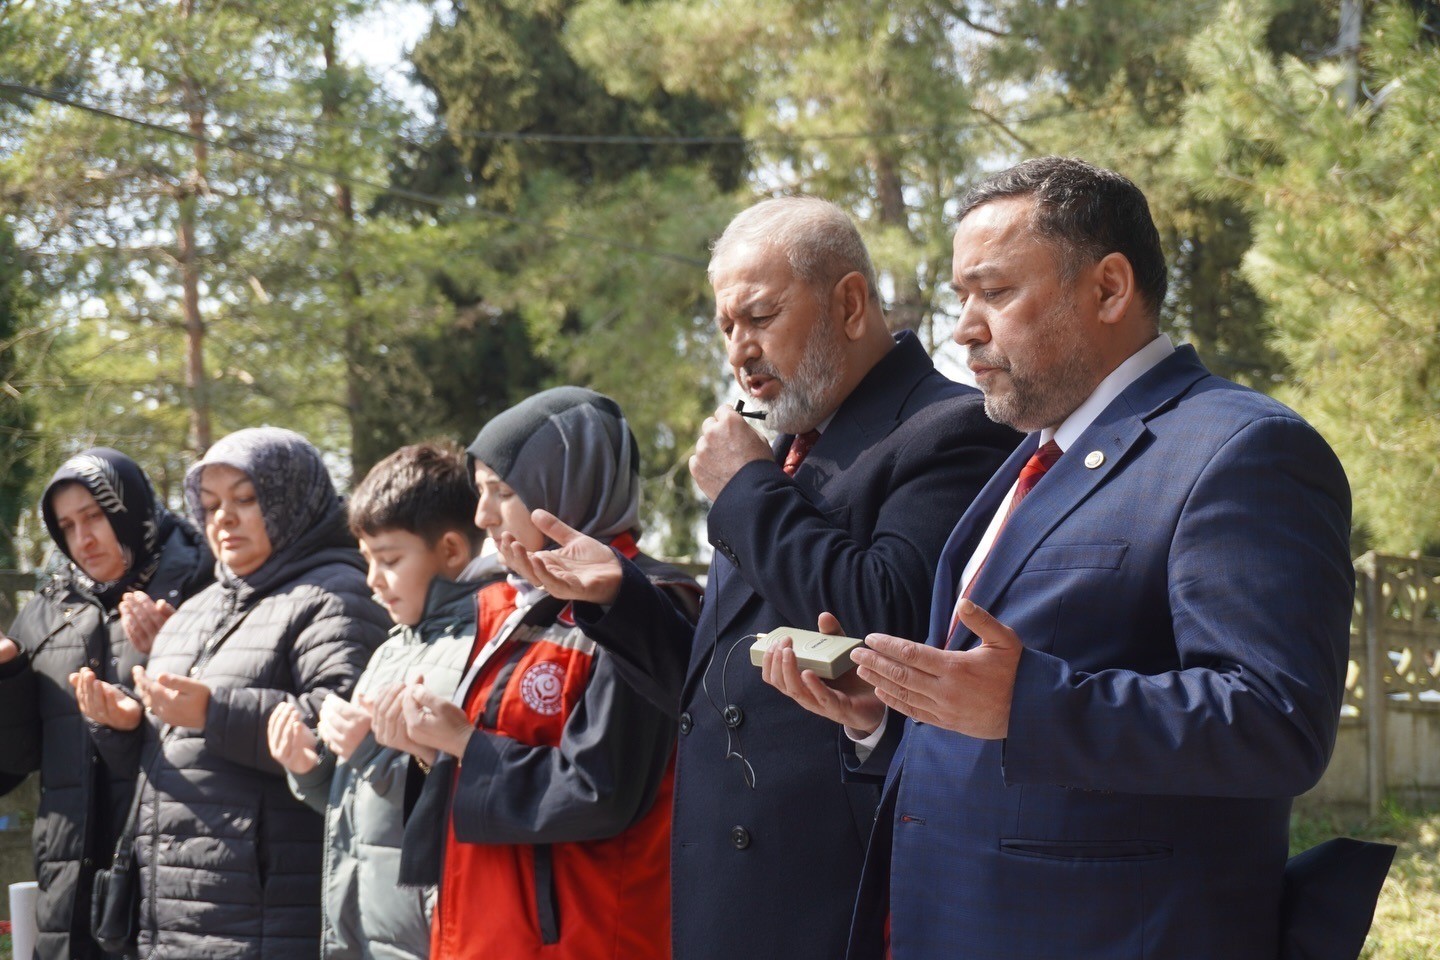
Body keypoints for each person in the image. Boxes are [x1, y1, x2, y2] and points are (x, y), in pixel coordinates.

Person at [783, 156, 1353, 959]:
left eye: (996, 292)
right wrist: (892, 720)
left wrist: (1029, 707)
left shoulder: (1244, 449)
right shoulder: (1026, 461)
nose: (964, 328)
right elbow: (998, 706)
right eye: (960, 297)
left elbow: (1275, 720)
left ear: (1110, 289)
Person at [498, 198, 1021, 960]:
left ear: (848, 303)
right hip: (733, 899)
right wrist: (617, 597)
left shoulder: (949, 427)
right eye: (726, 329)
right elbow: (726, 692)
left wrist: (745, 490)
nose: (740, 352)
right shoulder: (787, 452)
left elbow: (885, 619)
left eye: (761, 317)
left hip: (835, 898)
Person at [388, 387, 700, 960]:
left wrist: (461, 742)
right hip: (488, 929)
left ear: (567, 489)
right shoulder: (514, 602)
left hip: (586, 936)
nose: (481, 515)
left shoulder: (646, 607)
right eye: (479, 492)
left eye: (501, 492)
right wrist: (432, 747)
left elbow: (600, 788)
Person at [73, 427, 389, 960]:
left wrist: (212, 710)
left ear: (291, 501)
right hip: (173, 916)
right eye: (212, 503)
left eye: (247, 499)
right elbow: (175, 756)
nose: (224, 517)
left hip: (267, 918)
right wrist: (126, 726)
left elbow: (339, 729)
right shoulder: (195, 610)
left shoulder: (335, 595)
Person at [266, 441, 491, 960]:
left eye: (389, 560)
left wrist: (369, 752)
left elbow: (467, 797)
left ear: (452, 551)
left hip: (433, 939)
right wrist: (314, 770)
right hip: (364, 935)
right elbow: (364, 809)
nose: (372, 580)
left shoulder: (482, 646)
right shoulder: (390, 648)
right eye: (367, 559)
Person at [0, 449, 212, 960]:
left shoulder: (204, 587)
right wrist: (5, 673)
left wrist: (174, 651)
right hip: (66, 892)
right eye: (67, 526)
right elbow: (13, 763)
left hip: (174, 879)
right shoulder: (48, 610)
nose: (83, 539)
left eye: (94, 516)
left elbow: (227, 732)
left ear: (129, 507)